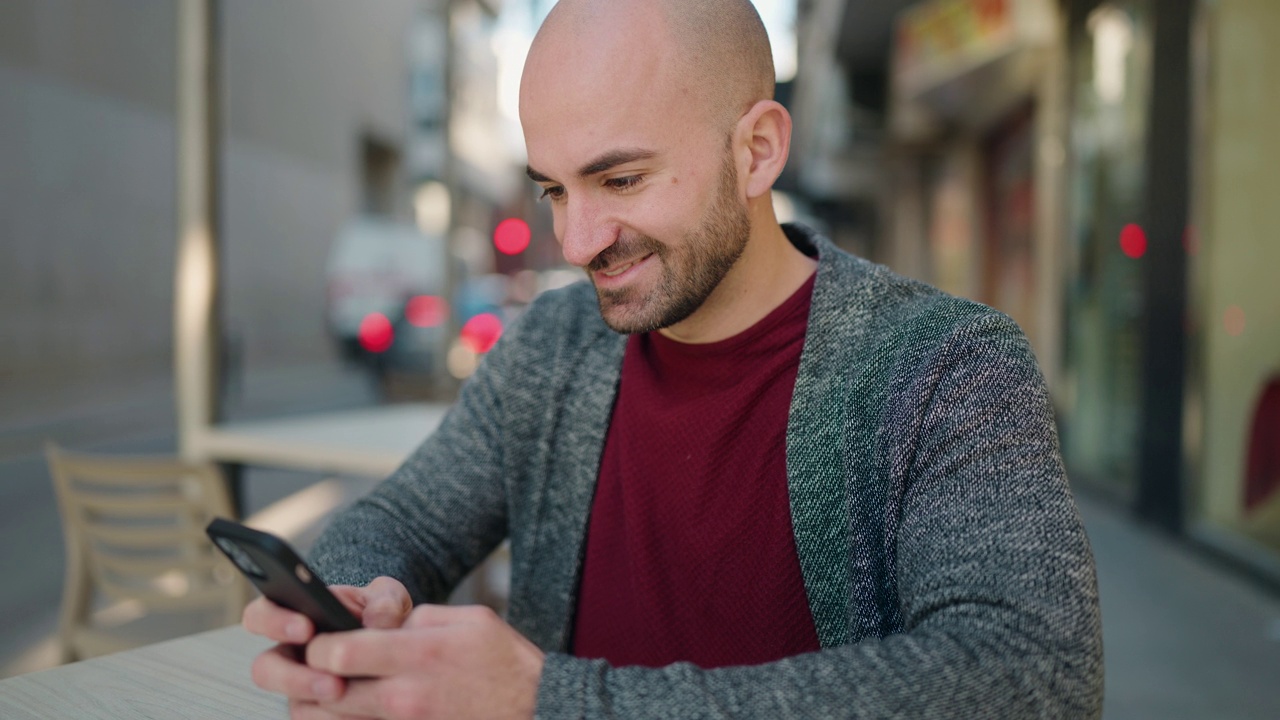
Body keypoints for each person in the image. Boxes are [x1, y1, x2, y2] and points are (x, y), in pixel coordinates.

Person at [243, 0, 1105, 717]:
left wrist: (550, 701)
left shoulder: (948, 367)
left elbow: (1032, 676)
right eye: (553, 188)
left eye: (620, 181)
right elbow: (405, 522)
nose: (577, 240)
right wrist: (355, 603)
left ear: (758, 149)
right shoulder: (550, 347)